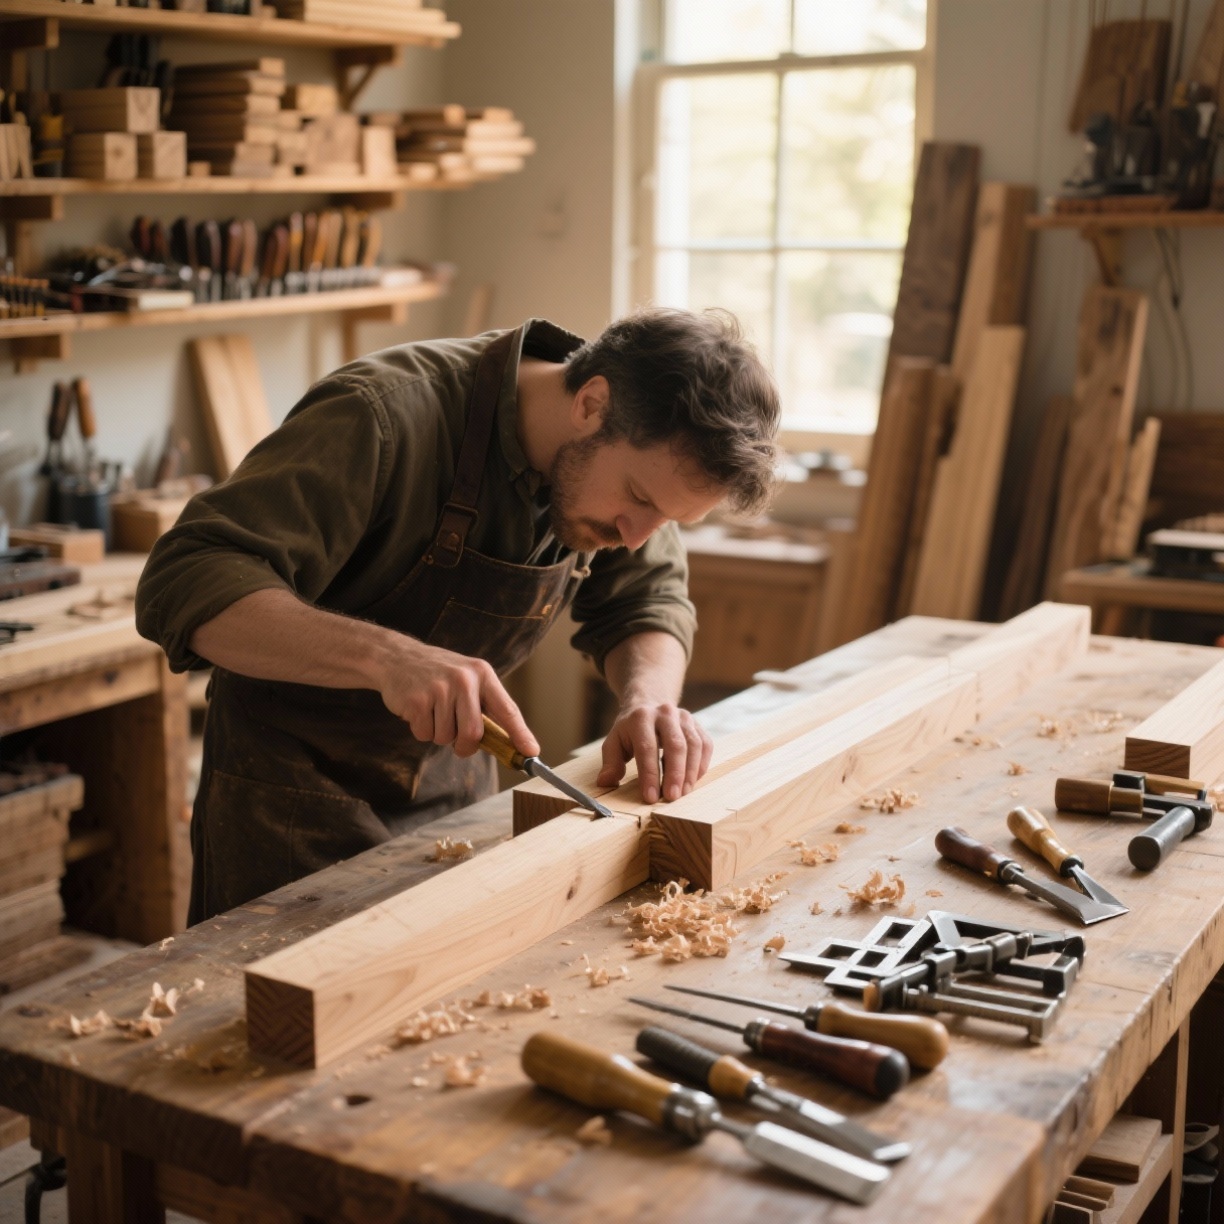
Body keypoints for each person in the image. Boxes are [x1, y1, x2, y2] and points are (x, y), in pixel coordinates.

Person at [136, 308, 780, 923]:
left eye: (667, 519)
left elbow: (647, 599)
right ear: (592, 404)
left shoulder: (633, 479)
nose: (638, 535)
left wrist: (649, 701)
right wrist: (389, 658)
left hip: (452, 800)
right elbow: (186, 578)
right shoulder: (381, 415)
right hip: (286, 808)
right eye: (639, 498)